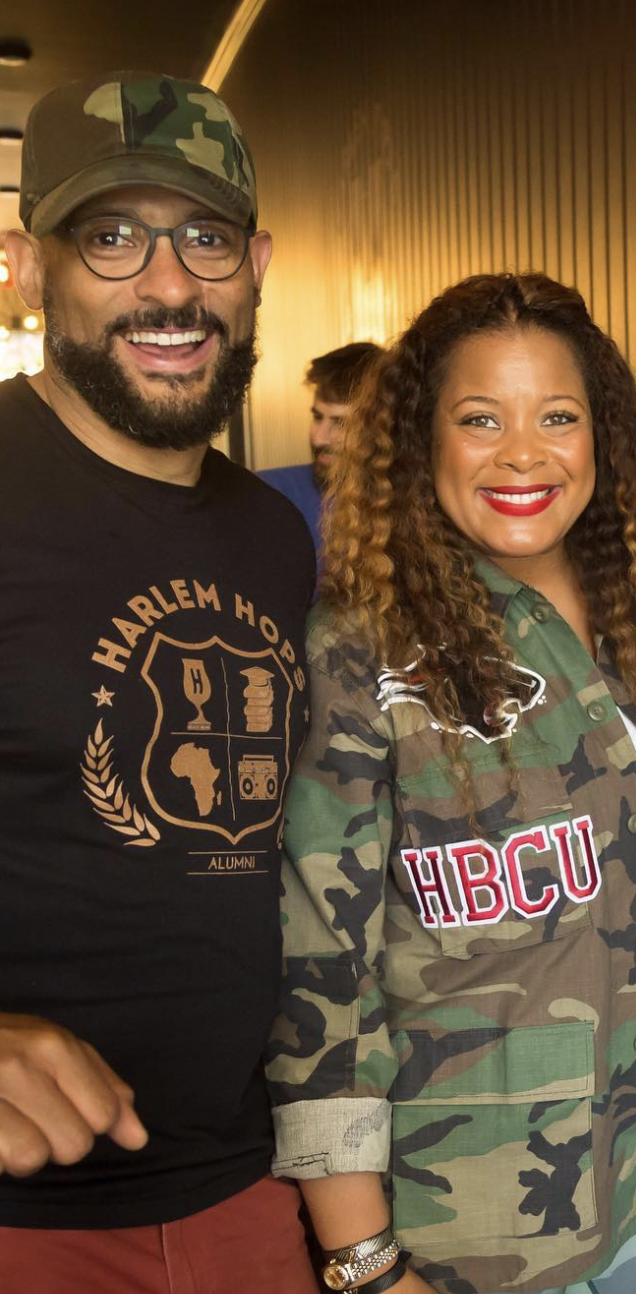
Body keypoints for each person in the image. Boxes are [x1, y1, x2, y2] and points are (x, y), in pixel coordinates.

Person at [265, 272, 636, 1294]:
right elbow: (323, 979)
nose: (523, 453)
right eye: (480, 418)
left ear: (601, 440)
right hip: (473, 1227)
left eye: (558, 417)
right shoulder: (361, 656)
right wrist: (361, 1259)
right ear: (421, 443)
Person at [0, 72, 317, 1292]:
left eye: (205, 238)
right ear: (32, 268)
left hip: (249, 1189)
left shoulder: (270, 535)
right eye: (114, 238)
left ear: (257, 263)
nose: (171, 286)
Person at [260, 340, 383, 563]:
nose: (318, 438)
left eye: (341, 423)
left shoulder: (412, 507)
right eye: (318, 417)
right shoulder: (272, 493)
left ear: (382, 429)